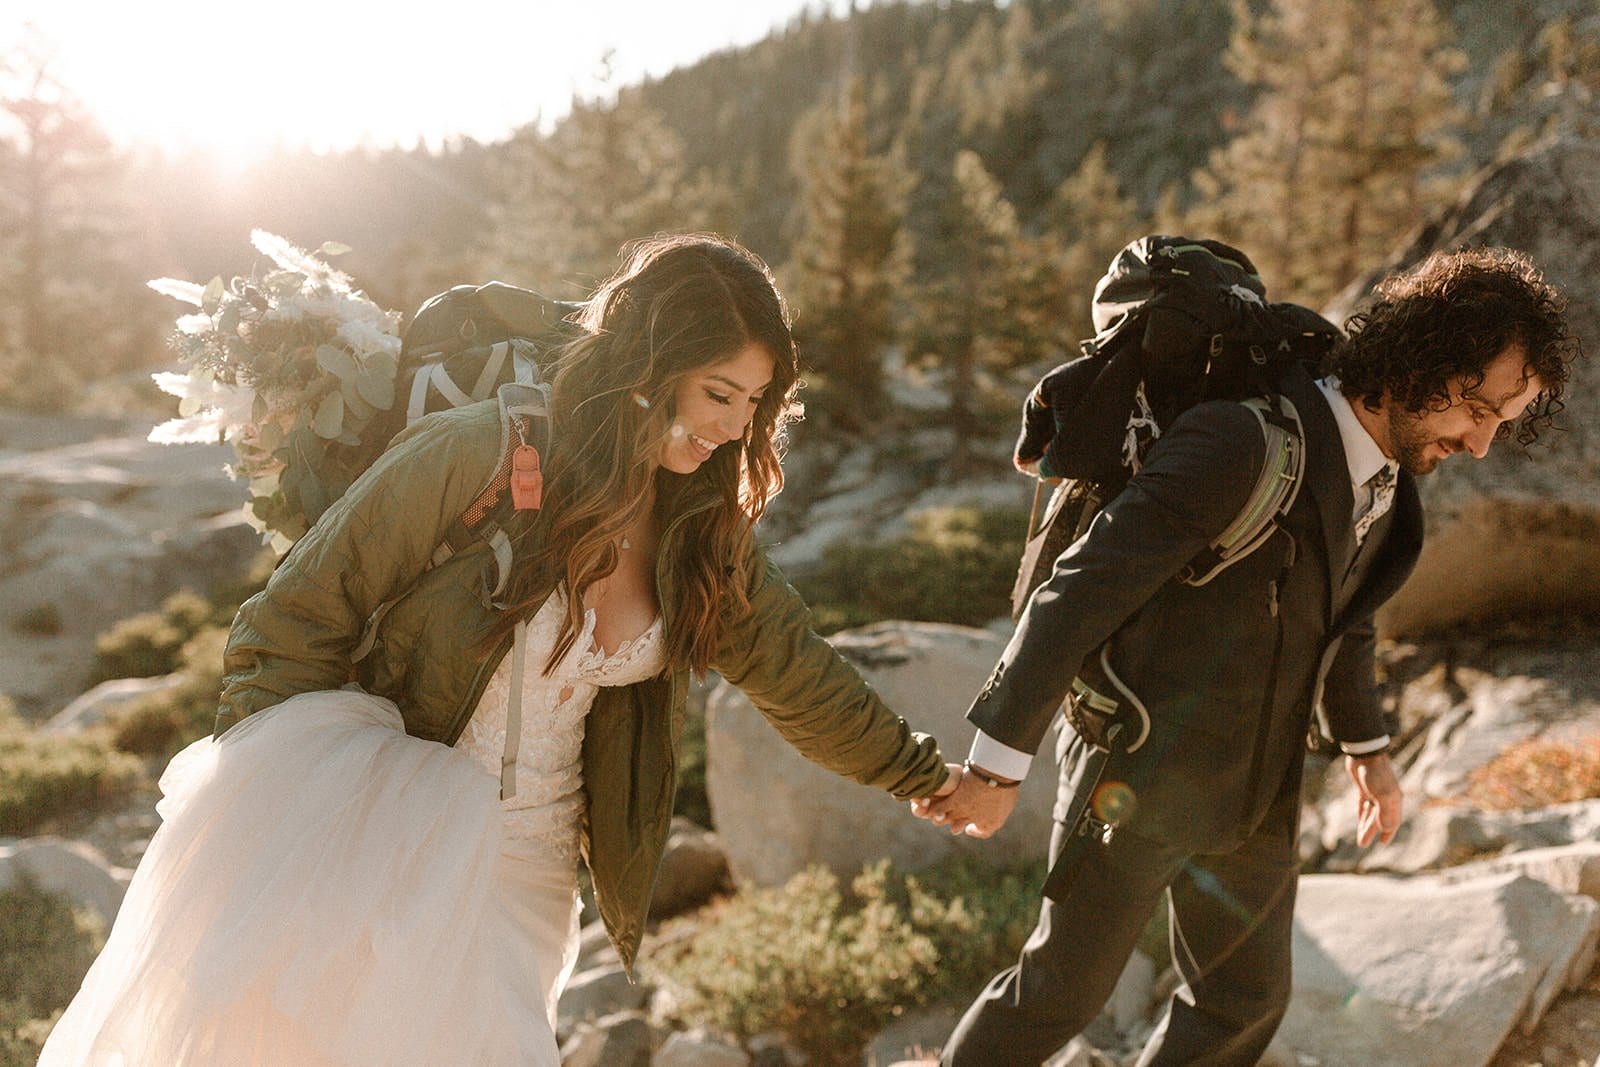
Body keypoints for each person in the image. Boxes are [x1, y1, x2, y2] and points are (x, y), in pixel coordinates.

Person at [40, 233, 959, 1067]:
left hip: (533, 873)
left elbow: (798, 670)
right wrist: (278, 817)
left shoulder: (702, 530)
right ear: (649, 363)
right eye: (719, 394)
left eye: (753, 403)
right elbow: (290, 622)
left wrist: (925, 775)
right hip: (382, 835)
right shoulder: (478, 451)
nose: (734, 426)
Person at [916, 246, 1581, 1066]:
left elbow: (1347, 615)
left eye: (1499, 425)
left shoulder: (1388, 476)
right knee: (1063, 991)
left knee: (1243, 1003)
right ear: (1421, 358)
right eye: (1476, 408)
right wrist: (995, 767)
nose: (1479, 445)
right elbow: (1077, 593)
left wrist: (1367, 748)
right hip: (1136, 767)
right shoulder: (1242, 442)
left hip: (1259, 789)